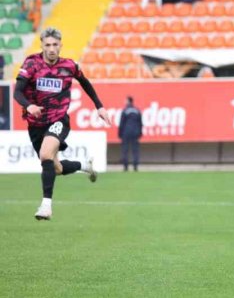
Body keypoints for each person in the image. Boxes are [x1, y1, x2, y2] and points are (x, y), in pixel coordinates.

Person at [14, 28, 110, 220]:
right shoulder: (31, 64)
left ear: (60, 45)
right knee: (55, 167)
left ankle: (46, 206)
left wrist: (99, 106)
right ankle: (84, 165)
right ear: (42, 46)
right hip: (36, 123)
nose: (51, 49)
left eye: (55, 45)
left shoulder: (69, 66)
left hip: (58, 119)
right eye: (48, 45)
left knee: (45, 154)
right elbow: (17, 92)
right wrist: (29, 105)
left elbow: (85, 83)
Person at [118, 96, 143, 172]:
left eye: (126, 101)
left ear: (128, 101)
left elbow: (121, 123)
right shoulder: (137, 111)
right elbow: (140, 123)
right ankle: (135, 166)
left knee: (125, 149)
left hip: (126, 132)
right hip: (135, 132)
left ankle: (125, 167)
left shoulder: (125, 111)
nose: (125, 102)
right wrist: (140, 132)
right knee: (135, 150)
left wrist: (120, 133)